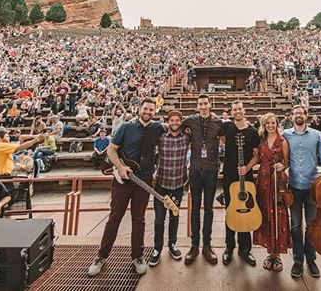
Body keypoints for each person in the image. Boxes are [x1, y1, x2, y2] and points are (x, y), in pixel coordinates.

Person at [88, 99, 165, 277]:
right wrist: (121, 167)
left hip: (143, 180)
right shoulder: (126, 127)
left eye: (151, 109)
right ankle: (101, 256)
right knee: (114, 217)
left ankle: (137, 256)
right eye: (145, 108)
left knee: (139, 219)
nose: (147, 111)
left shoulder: (158, 128)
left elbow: (176, 127)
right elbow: (111, 149)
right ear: (139, 109)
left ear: (155, 112)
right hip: (123, 179)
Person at [284, 105, 321, 279]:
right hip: (293, 185)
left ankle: (311, 259)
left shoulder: (316, 135)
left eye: (301, 113)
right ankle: (298, 261)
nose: (299, 115)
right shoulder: (285, 134)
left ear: (306, 116)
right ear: (292, 116)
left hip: (312, 187)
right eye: (296, 113)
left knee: (311, 225)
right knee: (295, 227)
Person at [182, 94, 225, 265]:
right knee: (194, 208)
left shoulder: (218, 122)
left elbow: (226, 137)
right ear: (197, 105)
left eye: (206, 103)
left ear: (210, 104)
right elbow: (175, 124)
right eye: (200, 104)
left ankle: (207, 245)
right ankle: (194, 245)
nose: (203, 106)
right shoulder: (190, 121)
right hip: (195, 169)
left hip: (211, 169)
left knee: (208, 208)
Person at [148, 110, 189, 267]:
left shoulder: (186, 137)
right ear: (168, 122)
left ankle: (172, 244)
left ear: (181, 122)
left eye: (177, 120)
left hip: (178, 183)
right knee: (159, 218)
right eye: (171, 120)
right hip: (161, 184)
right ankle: (157, 248)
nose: (174, 123)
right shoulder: (161, 137)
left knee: (175, 216)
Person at [221, 101, 259, 267]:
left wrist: (247, 167)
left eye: (239, 109)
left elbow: (257, 154)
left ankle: (246, 249)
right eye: (234, 109)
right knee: (230, 209)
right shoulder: (227, 127)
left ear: (244, 111)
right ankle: (229, 247)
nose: (237, 111)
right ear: (231, 112)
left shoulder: (252, 131)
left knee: (247, 209)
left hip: (247, 176)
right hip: (229, 174)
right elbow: (220, 138)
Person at [253, 113, 291, 272]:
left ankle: (278, 255)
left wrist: (283, 166)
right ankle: (270, 254)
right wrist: (250, 167)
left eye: (273, 122)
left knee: (279, 215)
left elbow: (287, 161)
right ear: (264, 124)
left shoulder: (282, 142)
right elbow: (257, 158)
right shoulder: (261, 140)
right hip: (263, 181)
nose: (270, 125)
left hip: (277, 181)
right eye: (267, 123)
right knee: (266, 215)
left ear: (277, 124)